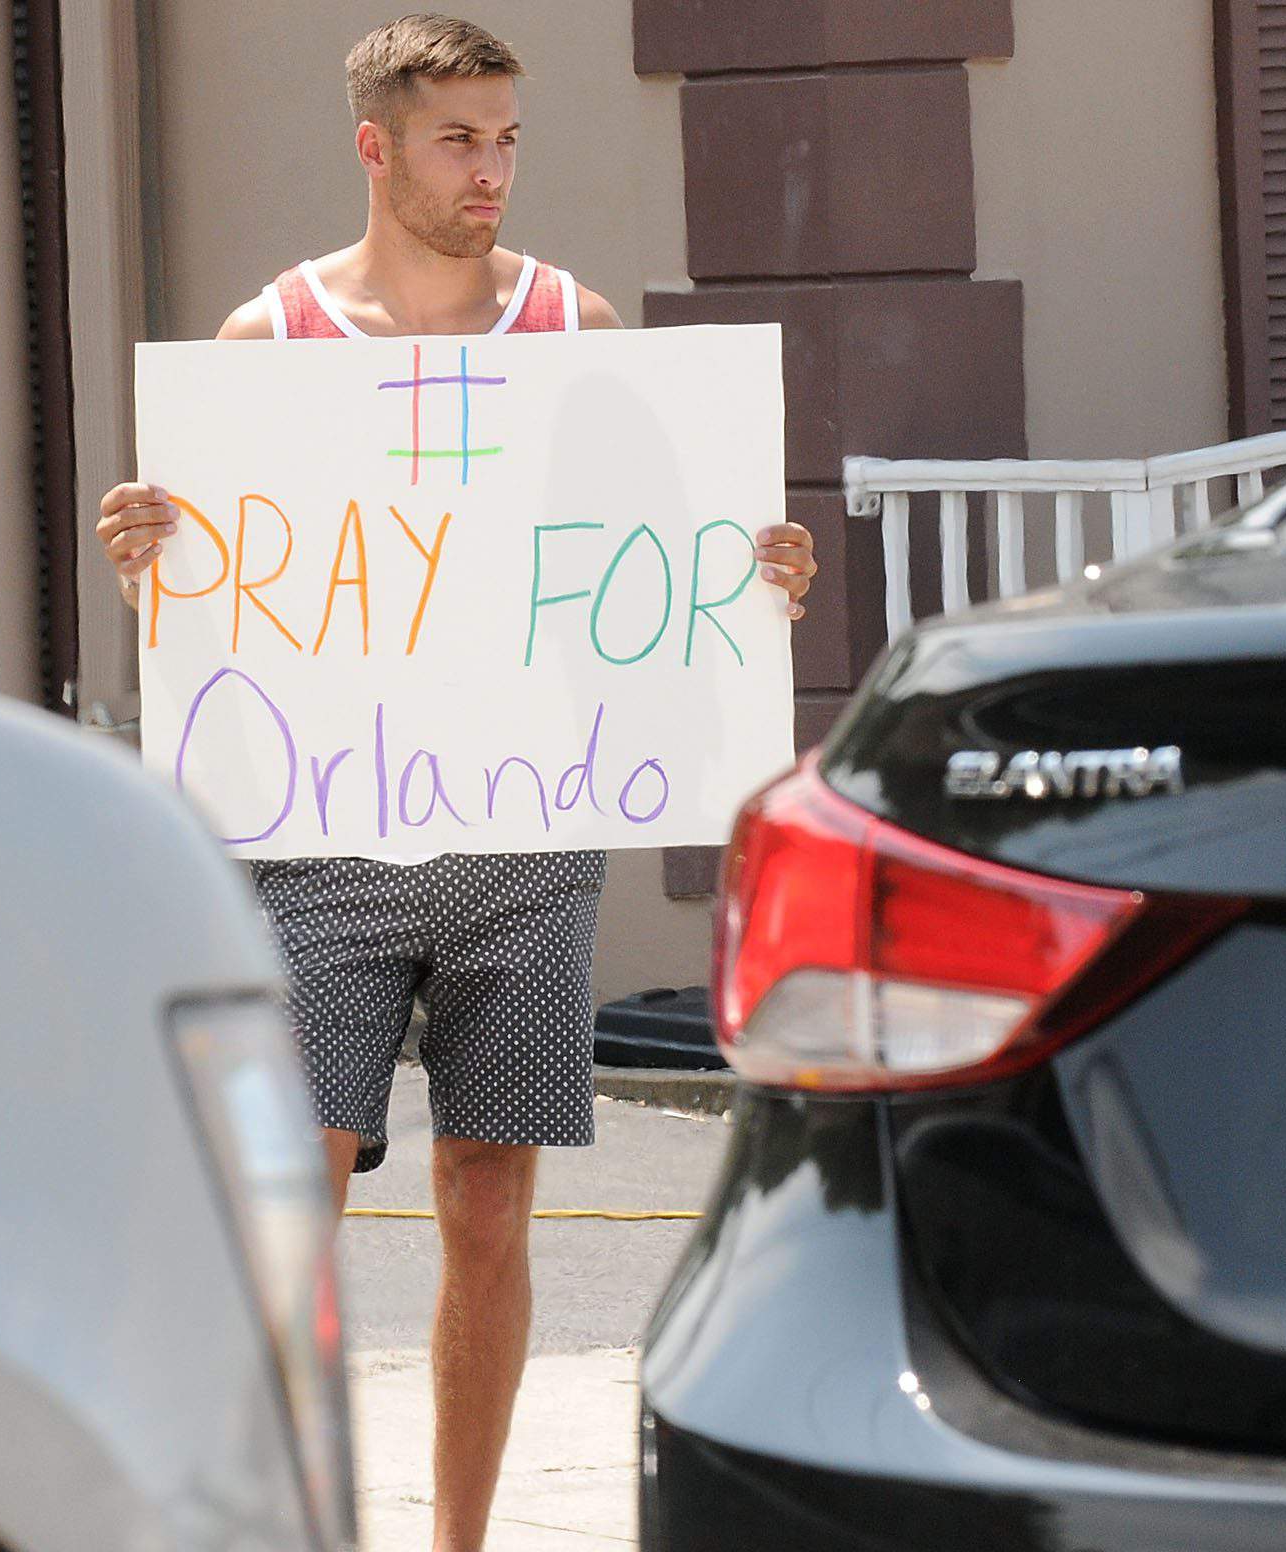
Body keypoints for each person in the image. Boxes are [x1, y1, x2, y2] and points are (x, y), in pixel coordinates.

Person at [94, 16, 814, 1551]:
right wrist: (155, 558)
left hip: (531, 829)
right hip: (323, 841)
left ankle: (460, 1545)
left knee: (490, 1205)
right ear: (375, 146)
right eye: (456, 140)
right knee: (300, 1205)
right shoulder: (265, 346)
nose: (490, 170)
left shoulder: (578, 326)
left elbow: (652, 566)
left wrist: (753, 578)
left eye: (505, 140)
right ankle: (287, 1521)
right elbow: (228, 612)